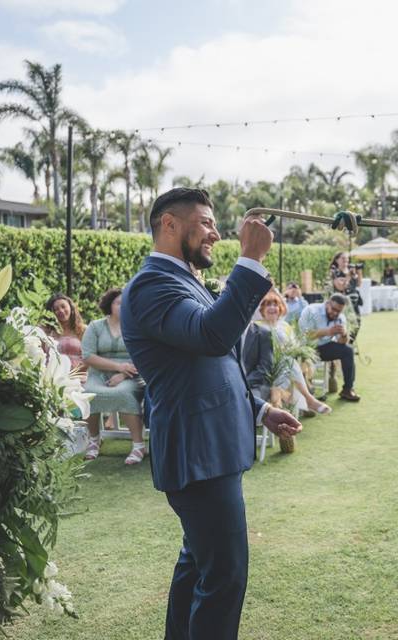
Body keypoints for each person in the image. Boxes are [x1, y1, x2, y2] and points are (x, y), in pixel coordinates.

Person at [121, 188, 301, 640]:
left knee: (198, 566)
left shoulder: (184, 280)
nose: (216, 234)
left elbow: (208, 367)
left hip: (211, 448)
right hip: (197, 455)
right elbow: (212, 335)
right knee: (224, 578)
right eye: (205, 223)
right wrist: (252, 260)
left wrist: (258, 410)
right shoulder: (149, 286)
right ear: (169, 224)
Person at [81, 287, 146, 464]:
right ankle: (94, 440)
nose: (123, 307)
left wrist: (123, 374)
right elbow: (87, 356)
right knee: (88, 394)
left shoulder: (137, 326)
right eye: (119, 303)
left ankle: (138, 446)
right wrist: (118, 366)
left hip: (131, 375)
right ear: (109, 305)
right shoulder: (95, 326)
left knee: (123, 393)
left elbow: (144, 355)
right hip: (99, 374)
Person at [257, 289, 332, 415]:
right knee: (288, 363)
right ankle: (307, 400)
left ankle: (280, 410)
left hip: (283, 369)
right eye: (268, 305)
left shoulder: (285, 326)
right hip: (264, 368)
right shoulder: (257, 326)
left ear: (281, 308)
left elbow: (294, 347)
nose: (272, 308)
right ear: (262, 310)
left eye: (275, 305)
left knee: (288, 364)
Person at [299, 293, 361, 402]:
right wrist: (327, 332)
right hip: (305, 348)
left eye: (339, 311)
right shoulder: (311, 311)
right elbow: (304, 335)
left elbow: (341, 342)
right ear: (327, 303)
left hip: (324, 347)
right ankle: (308, 393)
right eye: (333, 309)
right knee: (304, 357)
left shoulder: (340, 318)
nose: (335, 313)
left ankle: (347, 389)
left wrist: (344, 334)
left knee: (347, 350)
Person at [45, 292, 87, 370]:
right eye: (56, 309)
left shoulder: (83, 330)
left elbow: (92, 358)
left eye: (63, 306)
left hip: (78, 378)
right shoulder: (48, 332)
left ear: (71, 307)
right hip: (51, 379)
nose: (61, 310)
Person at [239, 320, 273, 402]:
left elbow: (264, 368)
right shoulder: (226, 333)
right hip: (232, 384)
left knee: (251, 403)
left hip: (255, 385)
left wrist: (243, 384)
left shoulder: (264, 333)